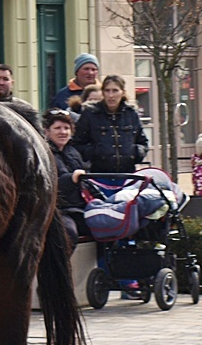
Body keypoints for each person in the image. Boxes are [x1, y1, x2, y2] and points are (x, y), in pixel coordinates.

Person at [71, 74, 148, 173]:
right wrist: (96, 152)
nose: (111, 95)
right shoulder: (90, 114)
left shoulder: (131, 113)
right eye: (107, 91)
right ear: (103, 93)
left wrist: (135, 153)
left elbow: (143, 142)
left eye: (115, 90)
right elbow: (77, 143)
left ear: (122, 92)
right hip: (99, 174)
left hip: (128, 174)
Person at [42, 109, 89, 247]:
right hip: (58, 210)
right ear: (46, 131)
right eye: (57, 128)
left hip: (79, 208)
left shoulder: (73, 152)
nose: (62, 132)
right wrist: (71, 179)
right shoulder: (44, 153)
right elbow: (48, 186)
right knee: (68, 233)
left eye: (66, 128)